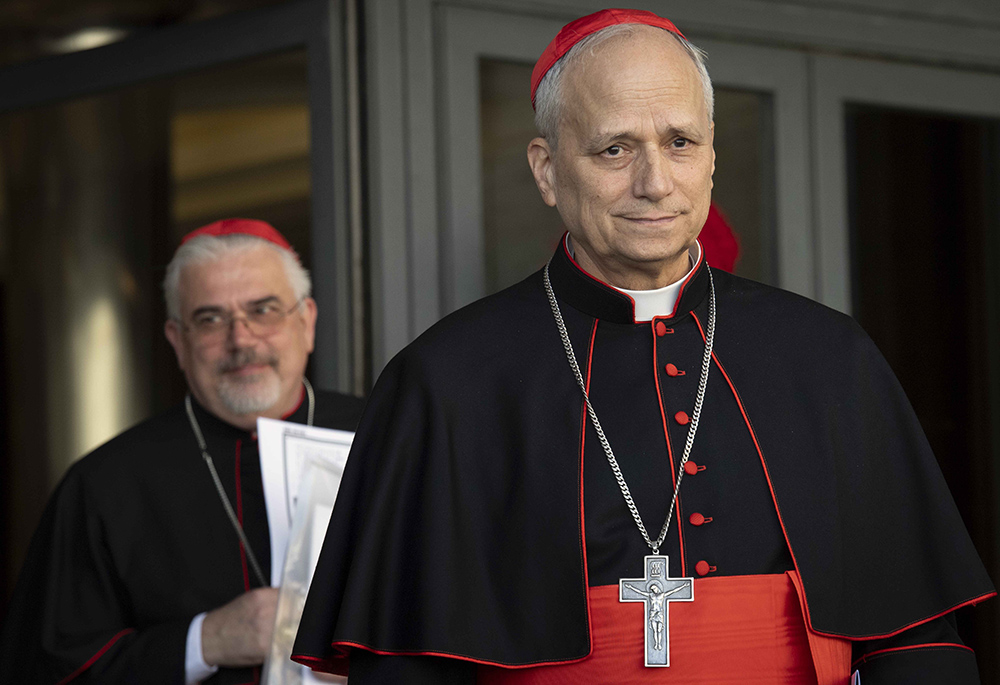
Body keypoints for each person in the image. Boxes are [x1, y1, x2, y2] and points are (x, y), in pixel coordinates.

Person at [291, 8, 995, 684]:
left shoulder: (829, 357)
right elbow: (408, 664)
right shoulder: (445, 382)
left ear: (712, 157)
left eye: (680, 142)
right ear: (545, 169)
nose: (655, 183)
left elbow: (919, 641)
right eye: (614, 148)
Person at [0, 218, 364, 684]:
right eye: (210, 319)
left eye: (264, 309)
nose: (242, 339)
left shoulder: (386, 440)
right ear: (177, 340)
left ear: (307, 321)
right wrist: (206, 640)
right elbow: (45, 667)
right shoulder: (106, 483)